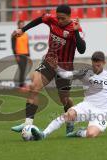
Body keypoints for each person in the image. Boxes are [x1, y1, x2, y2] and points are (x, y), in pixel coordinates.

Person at [31, 51, 107, 140]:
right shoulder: (85, 72)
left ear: (104, 63)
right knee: (68, 114)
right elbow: (66, 75)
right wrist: (56, 67)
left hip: (103, 111)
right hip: (87, 106)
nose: (96, 68)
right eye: (94, 65)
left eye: (99, 65)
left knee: (91, 134)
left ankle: (79, 132)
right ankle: (43, 134)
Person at [11, 4, 86, 134]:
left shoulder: (75, 28)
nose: (60, 21)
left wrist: (76, 32)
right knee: (35, 86)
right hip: (49, 62)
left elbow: (82, 49)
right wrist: (23, 30)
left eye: (63, 18)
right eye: (58, 18)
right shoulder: (52, 19)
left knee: (64, 100)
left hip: (65, 68)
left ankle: (70, 120)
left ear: (69, 16)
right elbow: (40, 19)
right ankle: (27, 124)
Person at [11, 20, 30, 90]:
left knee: (24, 70)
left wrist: (28, 55)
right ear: (18, 25)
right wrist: (16, 55)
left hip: (25, 54)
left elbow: (27, 45)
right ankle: (21, 85)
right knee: (22, 69)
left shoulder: (25, 34)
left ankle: (22, 83)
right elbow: (13, 46)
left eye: (23, 24)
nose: (22, 26)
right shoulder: (15, 34)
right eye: (21, 24)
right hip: (19, 54)